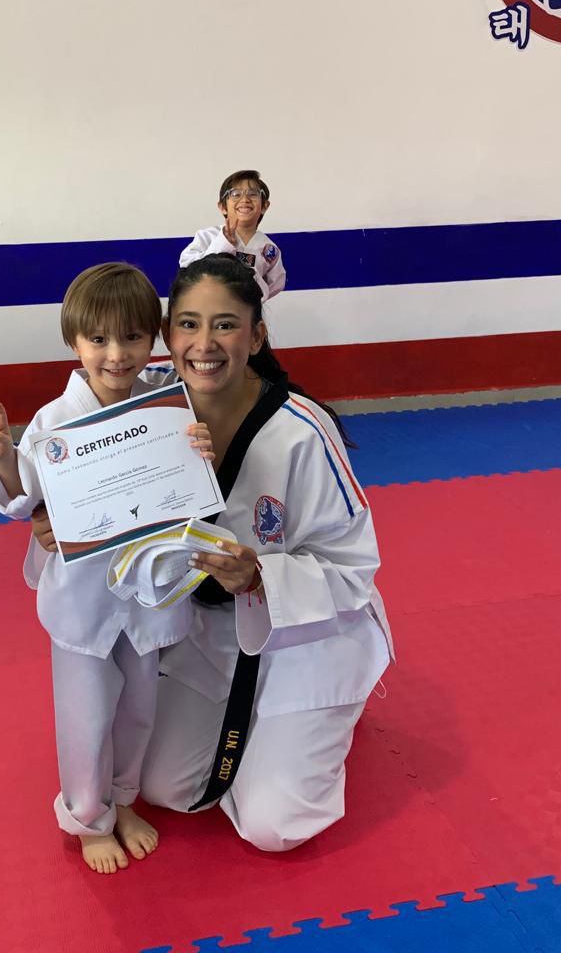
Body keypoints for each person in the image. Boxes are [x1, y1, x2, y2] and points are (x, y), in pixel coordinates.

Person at [138, 254, 393, 852]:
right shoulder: (148, 416)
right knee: (166, 787)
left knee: (272, 826)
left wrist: (261, 576)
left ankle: (329, 713)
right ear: (168, 335)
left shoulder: (302, 430)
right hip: (208, 633)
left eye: (226, 325)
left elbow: (355, 569)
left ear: (256, 336)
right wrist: (50, 520)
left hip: (310, 634)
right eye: (189, 324)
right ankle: (264, 727)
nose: (205, 343)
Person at [0, 262, 213, 874]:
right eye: (99, 339)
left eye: (132, 337)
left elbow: (184, 489)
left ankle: (125, 800)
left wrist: (197, 454)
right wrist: (4, 459)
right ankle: (87, 818)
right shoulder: (54, 421)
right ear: (74, 343)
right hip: (82, 599)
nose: (117, 354)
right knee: (86, 715)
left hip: (147, 592)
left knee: (138, 708)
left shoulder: (164, 408)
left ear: (152, 339)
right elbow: (24, 498)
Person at [179, 169, 286, 300]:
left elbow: (276, 283)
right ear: (223, 207)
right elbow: (187, 265)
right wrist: (222, 245)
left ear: (264, 206)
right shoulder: (208, 236)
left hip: (248, 313)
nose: (245, 199)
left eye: (253, 193)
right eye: (236, 194)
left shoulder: (268, 248)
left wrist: (256, 294)